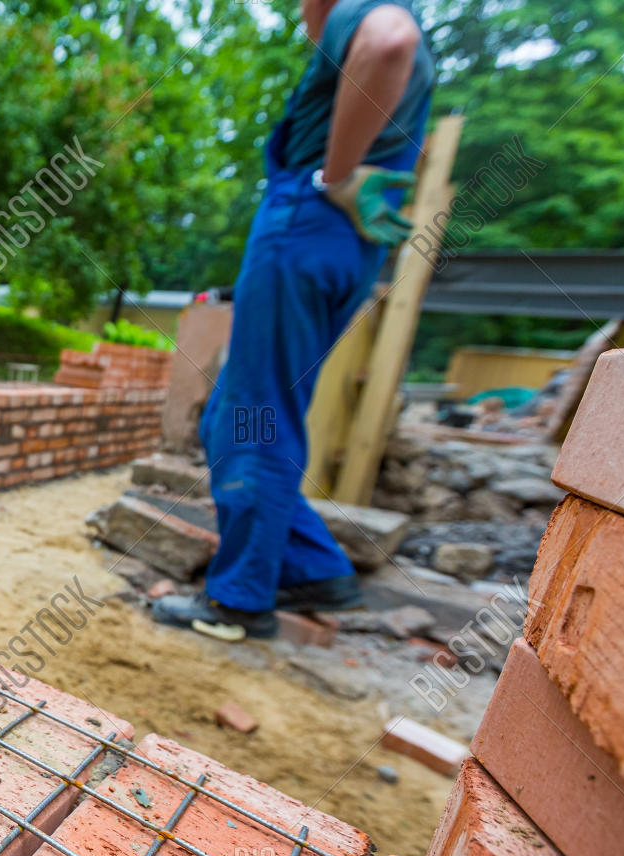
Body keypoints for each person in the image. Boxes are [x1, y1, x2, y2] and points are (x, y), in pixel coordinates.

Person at [153, 0, 434, 642]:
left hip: (307, 221)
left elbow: (388, 41)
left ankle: (241, 601)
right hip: (345, 242)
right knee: (250, 411)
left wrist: (330, 176)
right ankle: (314, 569)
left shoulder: (364, 9)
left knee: (251, 415)